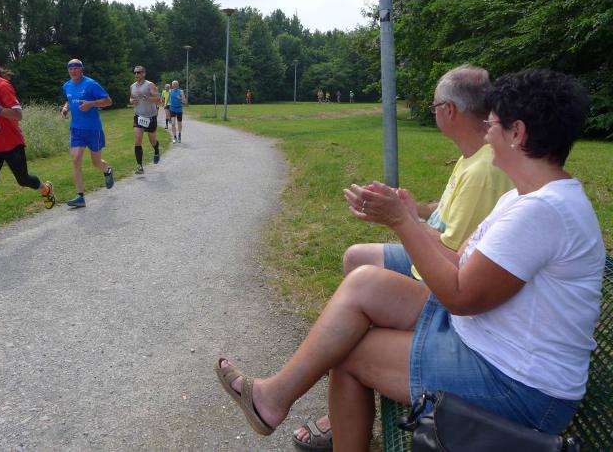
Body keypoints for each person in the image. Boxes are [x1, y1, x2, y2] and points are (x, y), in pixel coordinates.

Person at [216, 69, 604, 452]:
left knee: (350, 355)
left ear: (517, 133)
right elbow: (459, 261)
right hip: (491, 342)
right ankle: (272, 398)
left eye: (492, 124)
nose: (486, 133)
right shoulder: (524, 197)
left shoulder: (542, 212)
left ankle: (272, 401)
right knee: (365, 282)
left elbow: (460, 296)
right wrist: (410, 218)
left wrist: (402, 222)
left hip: (518, 385)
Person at [293, 65, 514, 449]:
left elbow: (453, 259)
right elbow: (448, 217)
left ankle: (342, 390)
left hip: (445, 284)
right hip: (446, 273)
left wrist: (401, 220)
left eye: (434, 106)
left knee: (359, 301)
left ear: (449, 110)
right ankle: (344, 403)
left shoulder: (484, 170)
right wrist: (416, 210)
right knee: (356, 258)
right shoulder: (472, 158)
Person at [0, 54, 55, 243]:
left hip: (11, 144)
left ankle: (45, 189)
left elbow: (17, 115)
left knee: (23, 180)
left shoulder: (3, 86)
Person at [60, 59, 114, 208]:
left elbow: (108, 101)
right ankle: (80, 196)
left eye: (76, 68)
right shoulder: (67, 85)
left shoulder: (91, 84)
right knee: (76, 159)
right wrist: (65, 108)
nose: (73, 71)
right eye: (70, 69)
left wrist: (91, 104)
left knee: (96, 162)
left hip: (93, 129)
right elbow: (69, 100)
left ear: (81, 69)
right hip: (76, 129)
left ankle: (107, 169)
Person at [130, 65, 161, 174]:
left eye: (139, 72)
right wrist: (132, 101)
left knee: (152, 141)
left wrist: (145, 97)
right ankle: (139, 166)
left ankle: (156, 150)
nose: (136, 74)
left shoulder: (150, 85)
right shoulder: (132, 86)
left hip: (150, 117)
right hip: (138, 116)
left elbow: (158, 99)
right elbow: (131, 98)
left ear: (144, 73)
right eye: (135, 72)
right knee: (138, 140)